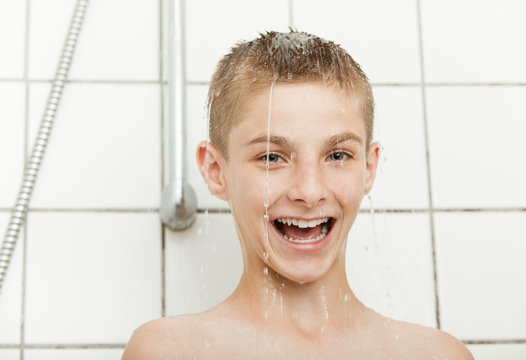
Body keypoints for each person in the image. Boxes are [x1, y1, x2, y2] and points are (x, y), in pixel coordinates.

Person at [122, 30, 473, 359]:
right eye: (272, 157)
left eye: (338, 156)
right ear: (215, 171)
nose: (309, 191)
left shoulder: (435, 355)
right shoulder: (168, 352)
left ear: (368, 168)